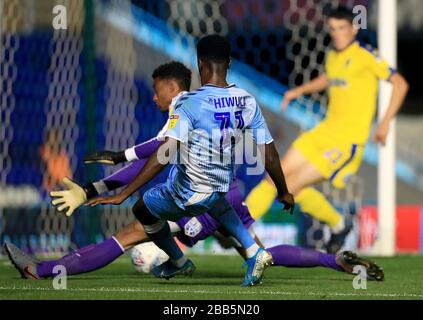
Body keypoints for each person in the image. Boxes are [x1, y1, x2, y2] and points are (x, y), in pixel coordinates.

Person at [4, 61, 383, 284]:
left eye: (157, 91)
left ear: (173, 90)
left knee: (132, 229)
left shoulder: (186, 110)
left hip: (199, 199)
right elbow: (154, 156)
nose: (152, 97)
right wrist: (99, 184)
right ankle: (334, 260)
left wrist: (96, 186)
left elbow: (155, 155)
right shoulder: (208, 106)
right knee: (258, 251)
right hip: (224, 194)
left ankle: (42, 269)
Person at [245, 6, 409, 253]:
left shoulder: (366, 55)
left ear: (353, 29)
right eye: (332, 29)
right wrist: (299, 91)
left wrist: (385, 123)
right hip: (322, 132)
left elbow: (400, 84)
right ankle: (339, 225)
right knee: (274, 177)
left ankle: (240, 229)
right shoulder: (333, 54)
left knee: (288, 186)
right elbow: (329, 78)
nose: (337, 34)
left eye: (342, 28)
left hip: (344, 143)